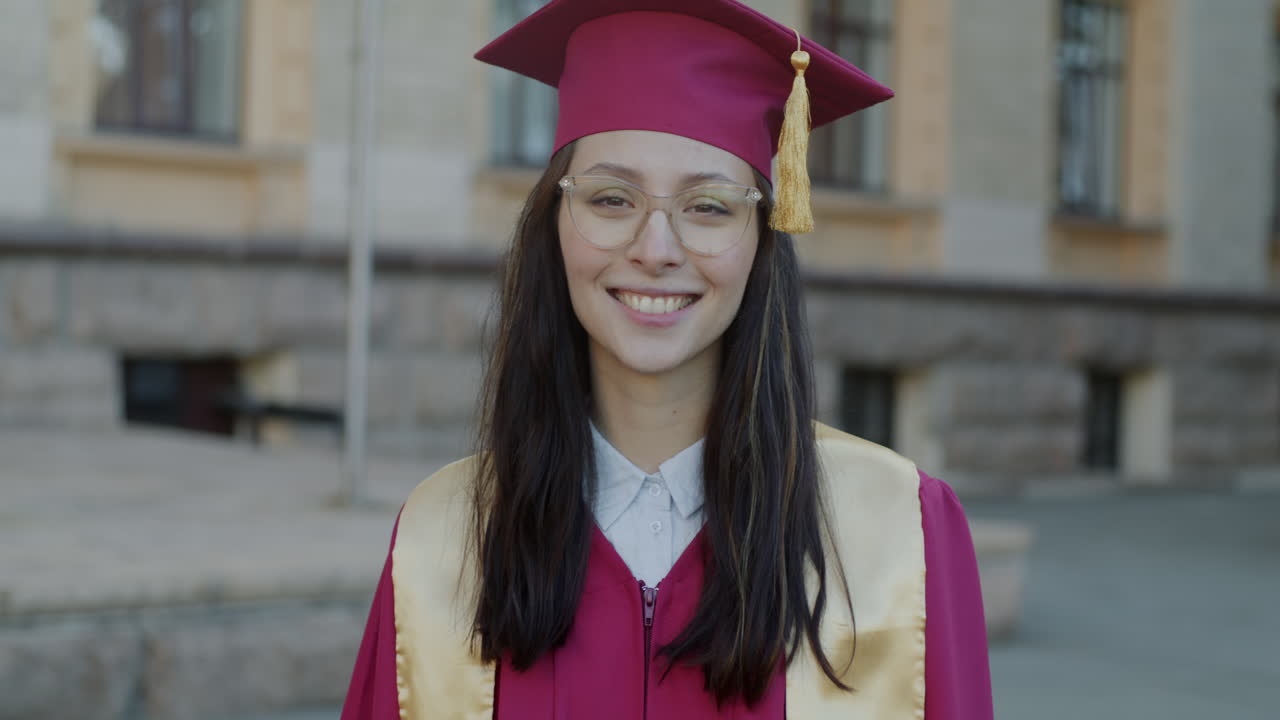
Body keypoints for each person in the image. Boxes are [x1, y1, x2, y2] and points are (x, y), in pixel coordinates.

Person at [341, 0, 993, 717]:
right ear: (554, 225)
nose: (656, 249)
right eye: (611, 198)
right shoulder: (442, 539)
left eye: (709, 206)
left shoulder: (897, 532)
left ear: (762, 239)